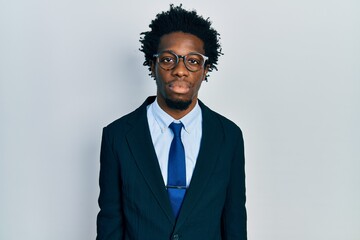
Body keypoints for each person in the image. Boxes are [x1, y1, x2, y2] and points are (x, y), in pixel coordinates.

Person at [96, 4, 247, 240]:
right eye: (168, 59)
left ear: (206, 69)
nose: (180, 70)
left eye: (193, 61)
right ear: (152, 65)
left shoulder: (229, 136)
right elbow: (110, 224)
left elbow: (235, 223)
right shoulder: (117, 136)